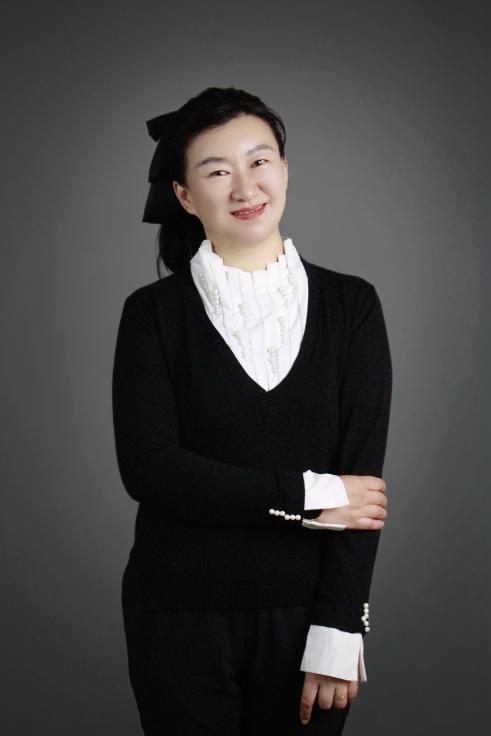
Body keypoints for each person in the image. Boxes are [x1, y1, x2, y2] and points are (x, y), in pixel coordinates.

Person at [111, 86, 392, 735]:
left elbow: (362, 491)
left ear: (284, 169)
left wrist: (340, 627)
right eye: (216, 171)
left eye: (259, 161)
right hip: (176, 616)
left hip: (308, 620)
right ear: (184, 195)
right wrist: (309, 496)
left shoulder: (351, 306)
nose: (244, 186)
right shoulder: (152, 315)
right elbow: (150, 469)